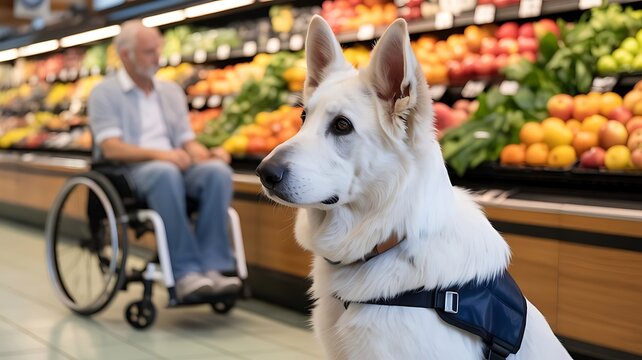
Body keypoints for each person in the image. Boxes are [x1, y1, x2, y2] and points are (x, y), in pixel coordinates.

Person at [88, 20, 241, 303]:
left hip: (176, 165)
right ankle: (185, 272)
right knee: (164, 172)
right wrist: (163, 156)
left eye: (157, 50)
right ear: (125, 55)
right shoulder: (104, 93)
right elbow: (110, 148)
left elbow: (187, 142)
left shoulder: (170, 91)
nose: (156, 57)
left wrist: (208, 153)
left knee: (217, 173)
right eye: (148, 52)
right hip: (131, 173)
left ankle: (215, 267)